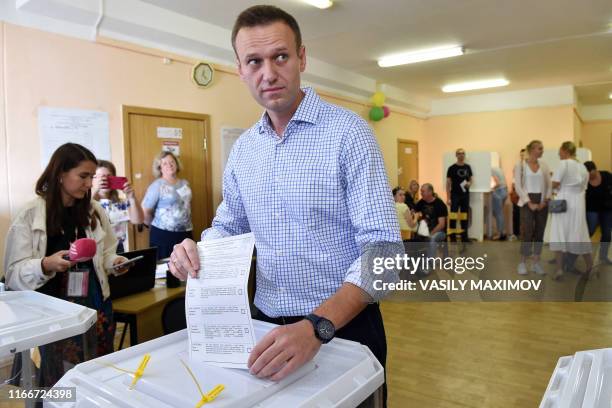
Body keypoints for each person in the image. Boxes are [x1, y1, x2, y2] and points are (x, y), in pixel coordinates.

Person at [167, 5, 401, 406]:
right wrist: (196, 251)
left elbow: (385, 254)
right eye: (254, 61)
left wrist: (315, 328)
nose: (268, 73)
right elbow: (229, 225)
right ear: (239, 69)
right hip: (265, 331)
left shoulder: (349, 135)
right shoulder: (244, 151)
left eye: (280, 56)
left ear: (302, 58)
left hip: (342, 330)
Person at [3, 143, 130, 386]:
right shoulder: (30, 215)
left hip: (94, 307)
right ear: (61, 173)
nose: (89, 183)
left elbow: (107, 252)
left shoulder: (93, 211)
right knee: (58, 380)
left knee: (97, 372)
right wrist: (45, 264)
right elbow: (12, 275)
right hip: (52, 315)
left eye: (91, 177)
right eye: (83, 176)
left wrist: (115, 262)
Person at [549, 141, 593, 280]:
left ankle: (559, 270)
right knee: (580, 233)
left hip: (563, 202)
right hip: (578, 205)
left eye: (559, 151)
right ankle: (590, 267)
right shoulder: (583, 167)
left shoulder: (564, 164)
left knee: (559, 233)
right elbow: (583, 187)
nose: (558, 154)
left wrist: (548, 182)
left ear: (564, 150)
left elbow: (555, 183)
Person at [142, 151, 193, 260]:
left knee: (186, 268)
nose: (169, 165)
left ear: (177, 164)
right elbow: (145, 211)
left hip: (185, 232)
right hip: (163, 235)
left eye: (172, 162)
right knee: (165, 271)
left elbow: (186, 205)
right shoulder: (157, 186)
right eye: (164, 163)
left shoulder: (185, 183)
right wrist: (156, 226)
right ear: (159, 167)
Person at [513, 140, 551, 275]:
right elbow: (518, 186)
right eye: (540, 148)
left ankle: (536, 263)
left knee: (540, 233)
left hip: (542, 202)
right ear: (532, 150)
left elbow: (549, 185)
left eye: (542, 148)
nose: (542, 151)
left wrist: (544, 201)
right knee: (527, 232)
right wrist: (529, 202)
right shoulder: (520, 165)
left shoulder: (544, 165)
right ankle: (522, 262)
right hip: (526, 202)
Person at [92, 160, 144, 253]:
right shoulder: (88, 202)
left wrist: (132, 197)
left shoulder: (120, 203)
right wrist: (95, 191)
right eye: (100, 177)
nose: (104, 179)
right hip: (96, 249)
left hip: (117, 248)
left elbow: (138, 220)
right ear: (92, 179)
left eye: (109, 176)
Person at [584, 161, 612, 264]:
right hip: (592, 209)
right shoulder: (584, 180)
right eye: (587, 174)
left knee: (607, 234)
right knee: (589, 231)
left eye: (591, 173)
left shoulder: (607, 176)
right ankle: (576, 253)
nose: (590, 176)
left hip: (607, 209)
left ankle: (603, 256)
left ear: (595, 170)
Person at [415, 183, 448, 261]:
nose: (421, 193)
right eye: (421, 191)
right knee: (416, 237)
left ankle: (430, 263)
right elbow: (414, 211)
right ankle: (417, 261)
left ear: (430, 192)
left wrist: (430, 233)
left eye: (423, 191)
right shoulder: (422, 202)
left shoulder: (439, 204)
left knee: (432, 238)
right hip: (425, 230)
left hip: (439, 232)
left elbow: (441, 224)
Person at [446, 148, 473, 242]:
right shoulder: (451, 168)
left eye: (463, 153)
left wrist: (469, 183)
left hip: (465, 195)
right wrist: (448, 197)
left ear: (464, 155)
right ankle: (452, 237)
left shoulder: (468, 167)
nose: (461, 155)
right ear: (456, 155)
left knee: (464, 215)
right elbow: (448, 184)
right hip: (455, 195)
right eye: (459, 153)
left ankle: (464, 237)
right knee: (453, 215)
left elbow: (471, 179)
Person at [509, 149, 526, 241]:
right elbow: (514, 178)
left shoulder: (531, 165)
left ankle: (527, 234)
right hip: (517, 192)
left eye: (524, 154)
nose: (523, 156)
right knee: (516, 213)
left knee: (527, 214)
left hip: (527, 192)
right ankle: (516, 233)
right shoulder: (517, 165)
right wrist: (512, 190)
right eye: (521, 155)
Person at [491, 166, 508, 240]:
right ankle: (503, 232)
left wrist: (491, 188)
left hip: (499, 191)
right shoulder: (498, 169)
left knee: (498, 213)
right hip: (505, 190)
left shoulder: (490, 170)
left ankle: (499, 234)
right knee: (499, 213)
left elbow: (497, 183)